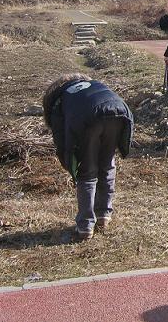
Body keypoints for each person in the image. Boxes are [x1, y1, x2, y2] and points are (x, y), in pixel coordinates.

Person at [42, 73, 134, 241]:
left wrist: (70, 164)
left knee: (86, 171)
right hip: (119, 110)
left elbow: (61, 141)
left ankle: (85, 226)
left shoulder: (57, 101)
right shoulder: (92, 85)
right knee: (107, 164)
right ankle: (104, 215)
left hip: (90, 118)